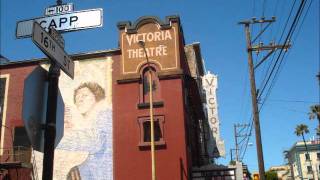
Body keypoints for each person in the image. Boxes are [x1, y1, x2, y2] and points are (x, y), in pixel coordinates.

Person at [56, 82, 113, 180]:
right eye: (77, 97)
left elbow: (95, 141)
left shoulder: (105, 114)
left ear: (96, 97)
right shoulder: (92, 122)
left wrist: (54, 138)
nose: (80, 99)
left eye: (85, 95)